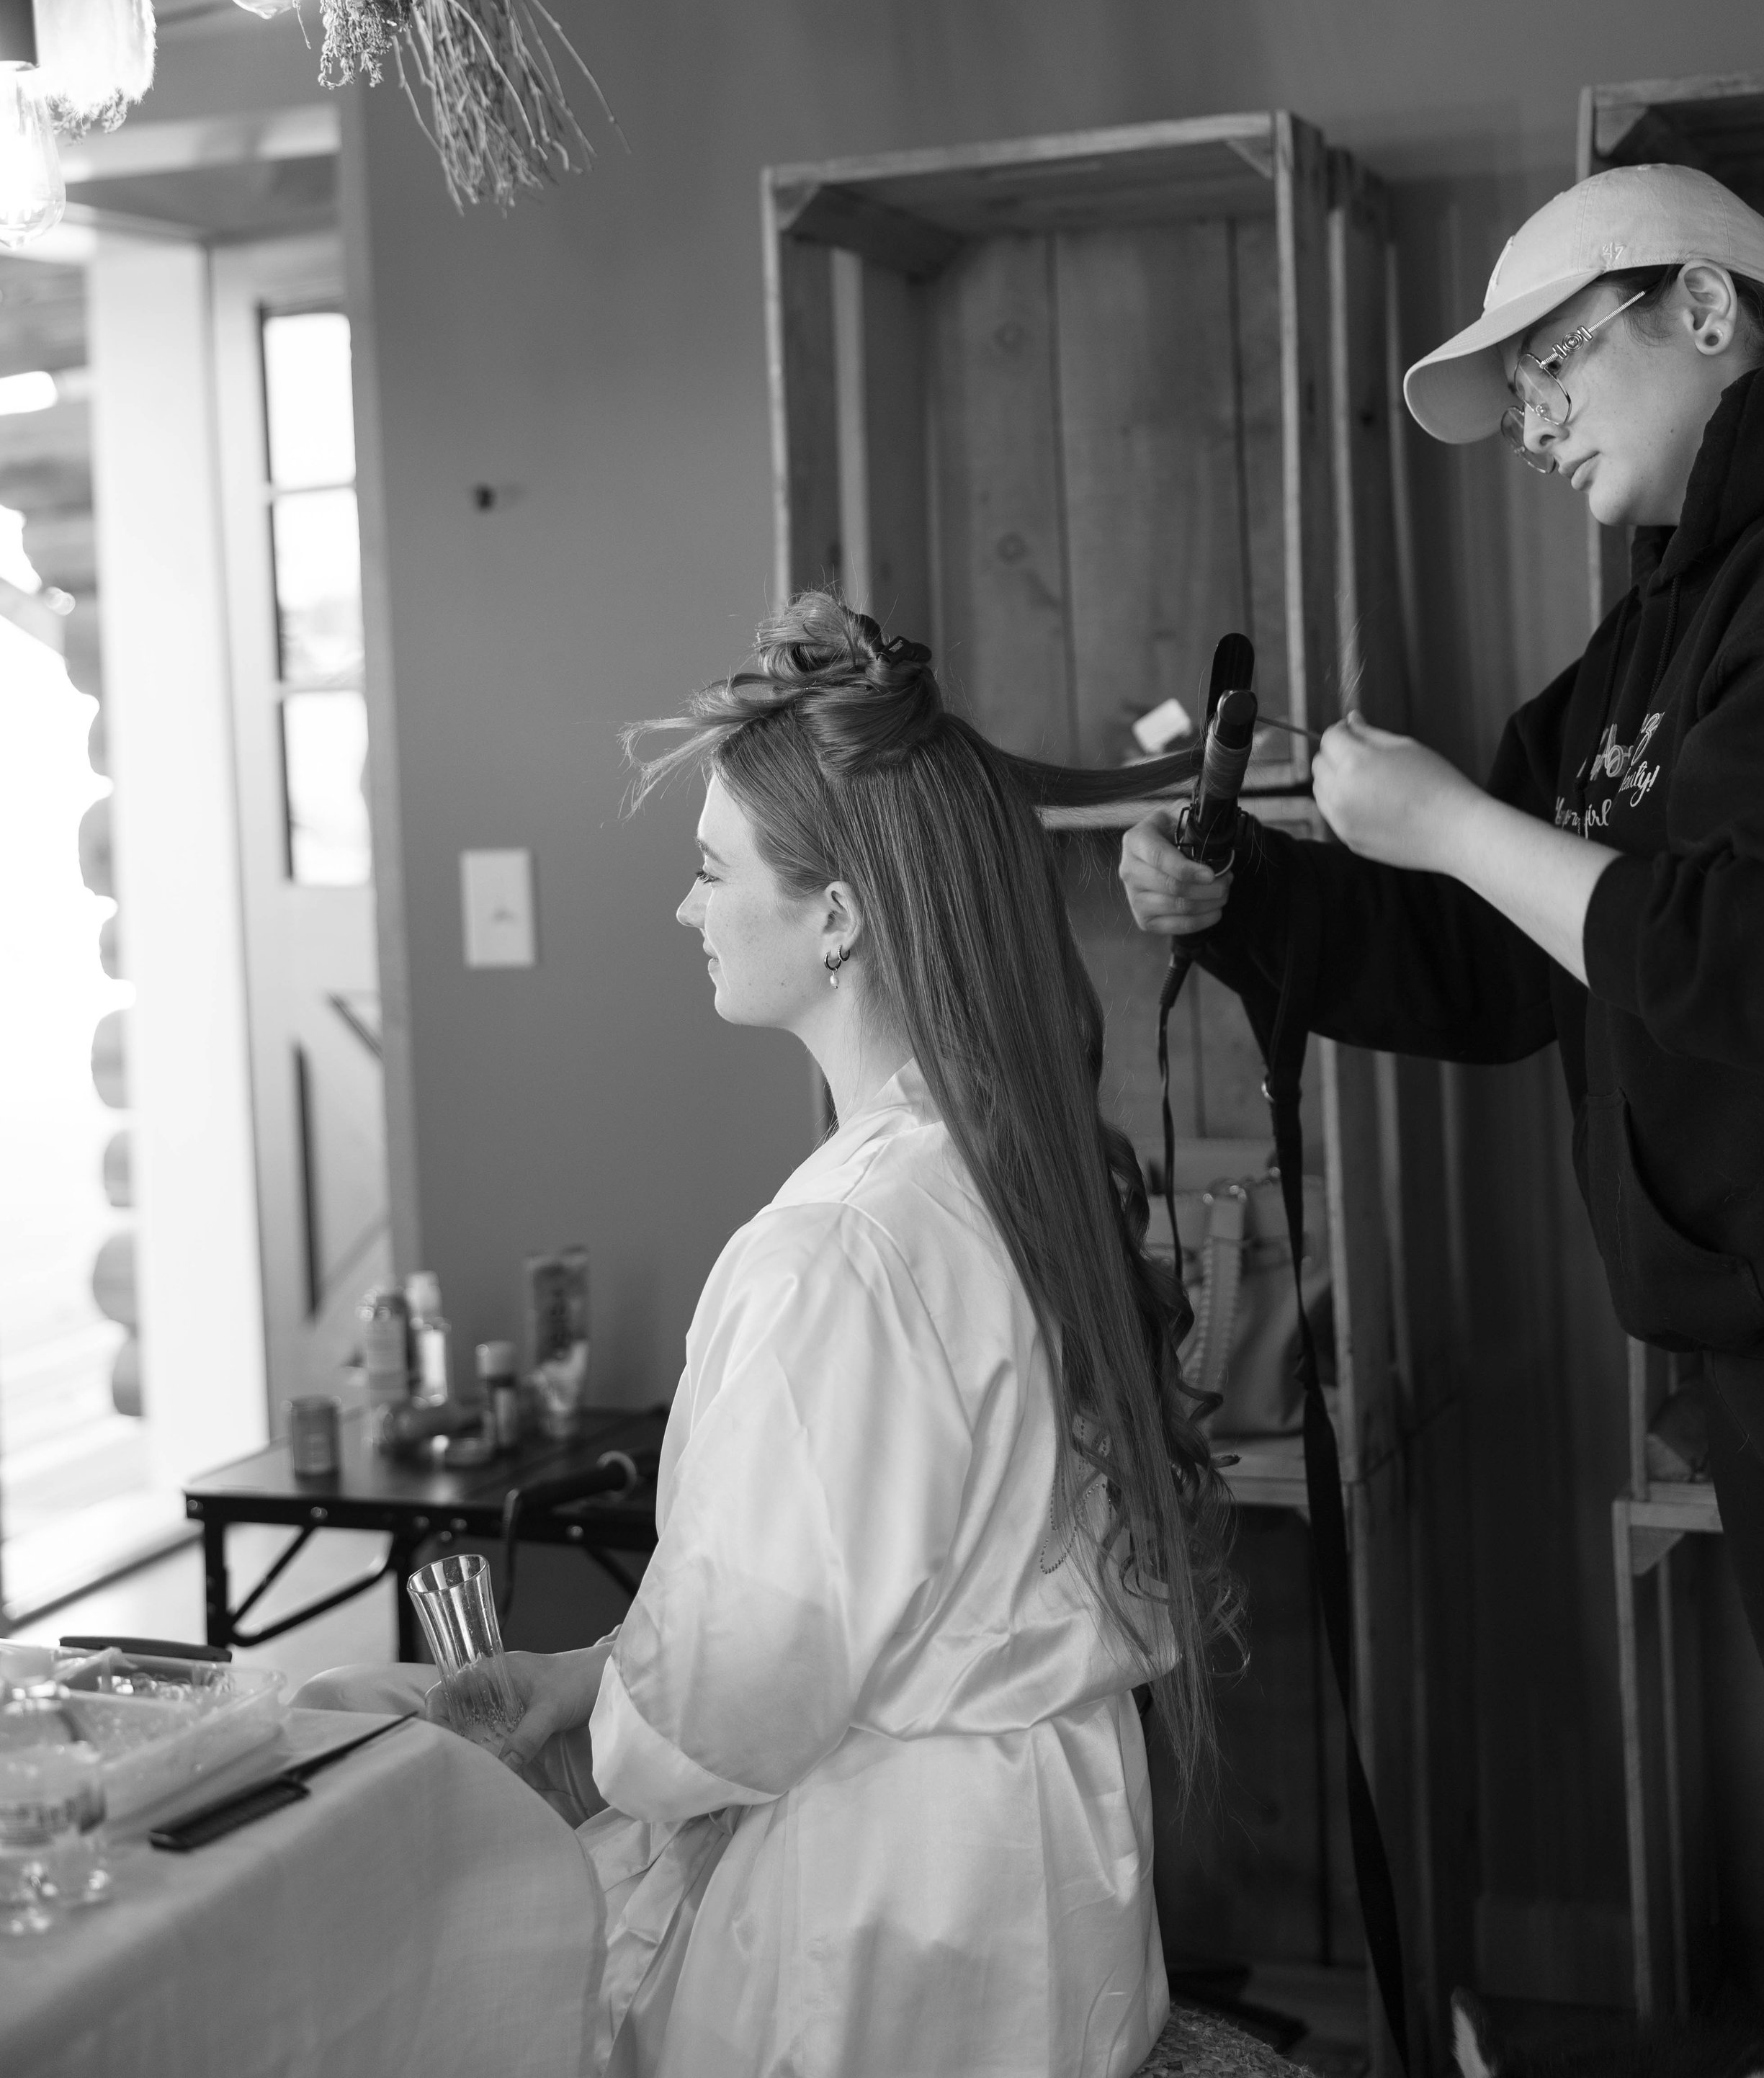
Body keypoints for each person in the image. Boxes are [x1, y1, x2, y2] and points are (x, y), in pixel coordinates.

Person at [310, 594, 1237, 2078]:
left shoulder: (831, 1251)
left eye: (708, 872)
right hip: (1038, 1873)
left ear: (837, 915)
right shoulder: (999, 1163)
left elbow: (730, 1698)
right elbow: (874, 1583)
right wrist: (606, 1664)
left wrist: (603, 1733)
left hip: (891, 1921)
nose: (684, 910)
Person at [1120, 163, 1764, 1930]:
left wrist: (1442, 819)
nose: (1533, 428)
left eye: (1557, 370)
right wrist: (1245, 894)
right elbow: (1498, 964)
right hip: (1745, 1336)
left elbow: (1752, 963)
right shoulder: (1648, 637)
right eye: (1516, 406)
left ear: (1706, 309)